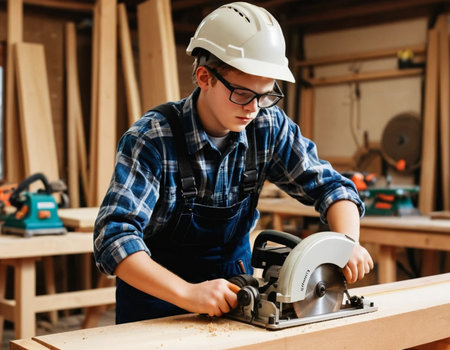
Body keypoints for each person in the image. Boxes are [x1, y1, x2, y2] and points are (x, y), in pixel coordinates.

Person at [94, 1, 374, 324]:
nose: (254, 108)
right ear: (204, 77)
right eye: (242, 94)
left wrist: (345, 243)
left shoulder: (267, 126)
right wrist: (188, 293)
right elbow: (113, 237)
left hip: (237, 300)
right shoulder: (153, 139)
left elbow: (333, 187)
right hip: (157, 305)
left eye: (266, 94)